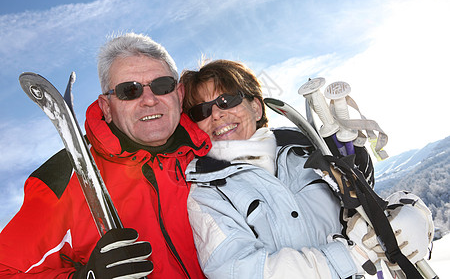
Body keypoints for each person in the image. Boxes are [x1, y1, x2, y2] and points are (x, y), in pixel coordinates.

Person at [179, 59, 434, 278]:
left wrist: (412, 216)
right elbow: (237, 270)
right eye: (201, 110)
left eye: (226, 100)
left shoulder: (306, 151)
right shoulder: (208, 192)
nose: (215, 114)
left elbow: (363, 206)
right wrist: (353, 255)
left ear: (256, 107)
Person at [0, 33, 211, 278]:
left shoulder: (214, 152)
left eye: (162, 85)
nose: (150, 100)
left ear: (180, 94)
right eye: (129, 91)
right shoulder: (68, 176)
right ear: (106, 107)